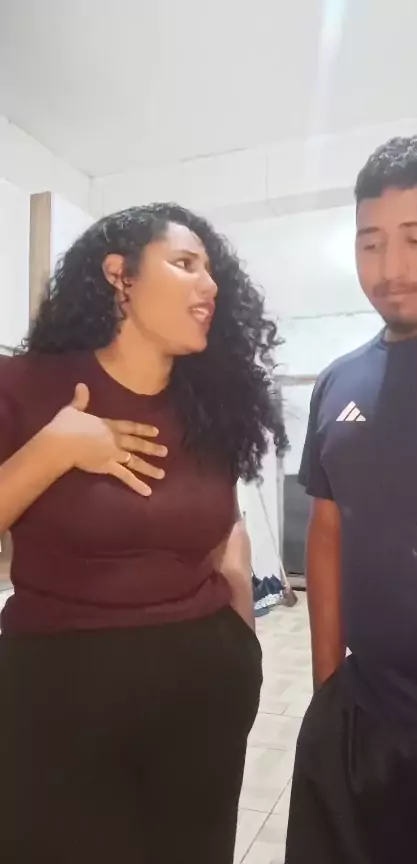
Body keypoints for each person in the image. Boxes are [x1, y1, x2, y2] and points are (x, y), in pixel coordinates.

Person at [0, 202, 287, 864]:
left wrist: (240, 643)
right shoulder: (24, 385)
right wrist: (55, 448)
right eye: (185, 264)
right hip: (57, 696)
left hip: (202, 693)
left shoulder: (213, 402)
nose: (208, 285)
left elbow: (226, 531)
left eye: (211, 271)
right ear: (119, 275)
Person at [285, 136, 417, 864]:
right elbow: (328, 528)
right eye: (370, 242)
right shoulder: (340, 381)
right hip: (362, 720)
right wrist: (327, 686)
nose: (390, 268)